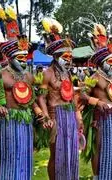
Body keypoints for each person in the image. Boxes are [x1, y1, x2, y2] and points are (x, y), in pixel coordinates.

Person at [0, 5, 45, 179]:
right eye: (19, 56)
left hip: (26, 119)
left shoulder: (28, 76)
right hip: (7, 120)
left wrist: (38, 111)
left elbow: (32, 100)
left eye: (24, 56)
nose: (23, 59)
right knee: (7, 157)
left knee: (24, 156)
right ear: (10, 56)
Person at [80, 23, 112, 180]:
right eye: (111, 62)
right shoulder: (94, 78)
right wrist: (98, 103)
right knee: (99, 147)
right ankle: (97, 177)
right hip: (101, 117)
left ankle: (111, 175)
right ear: (102, 62)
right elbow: (82, 94)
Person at [37, 17, 83, 180]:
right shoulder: (47, 73)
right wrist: (47, 117)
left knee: (71, 151)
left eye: (70, 56)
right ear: (56, 56)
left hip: (70, 115)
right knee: (56, 154)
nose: (69, 59)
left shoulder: (68, 73)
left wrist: (78, 115)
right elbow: (41, 97)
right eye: (66, 56)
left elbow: (71, 95)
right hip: (56, 116)